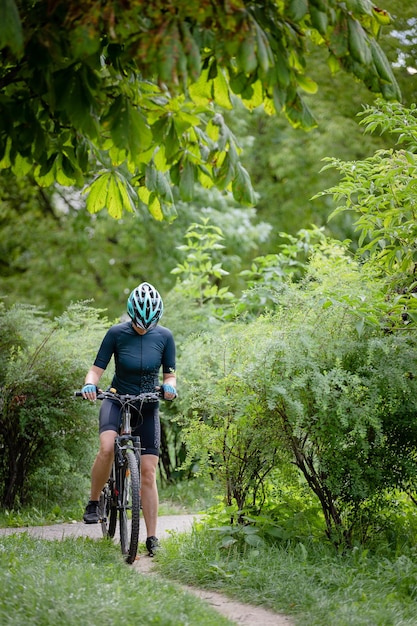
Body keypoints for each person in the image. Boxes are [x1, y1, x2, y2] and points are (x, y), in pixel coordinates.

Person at [81, 282, 177, 557]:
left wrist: (170, 386)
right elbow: (96, 370)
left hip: (146, 404)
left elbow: (169, 374)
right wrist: (89, 385)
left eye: (149, 325)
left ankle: (152, 538)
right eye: (138, 324)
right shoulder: (116, 334)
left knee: (148, 472)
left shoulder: (165, 337)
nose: (143, 329)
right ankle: (94, 501)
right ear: (131, 315)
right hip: (115, 398)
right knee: (108, 447)